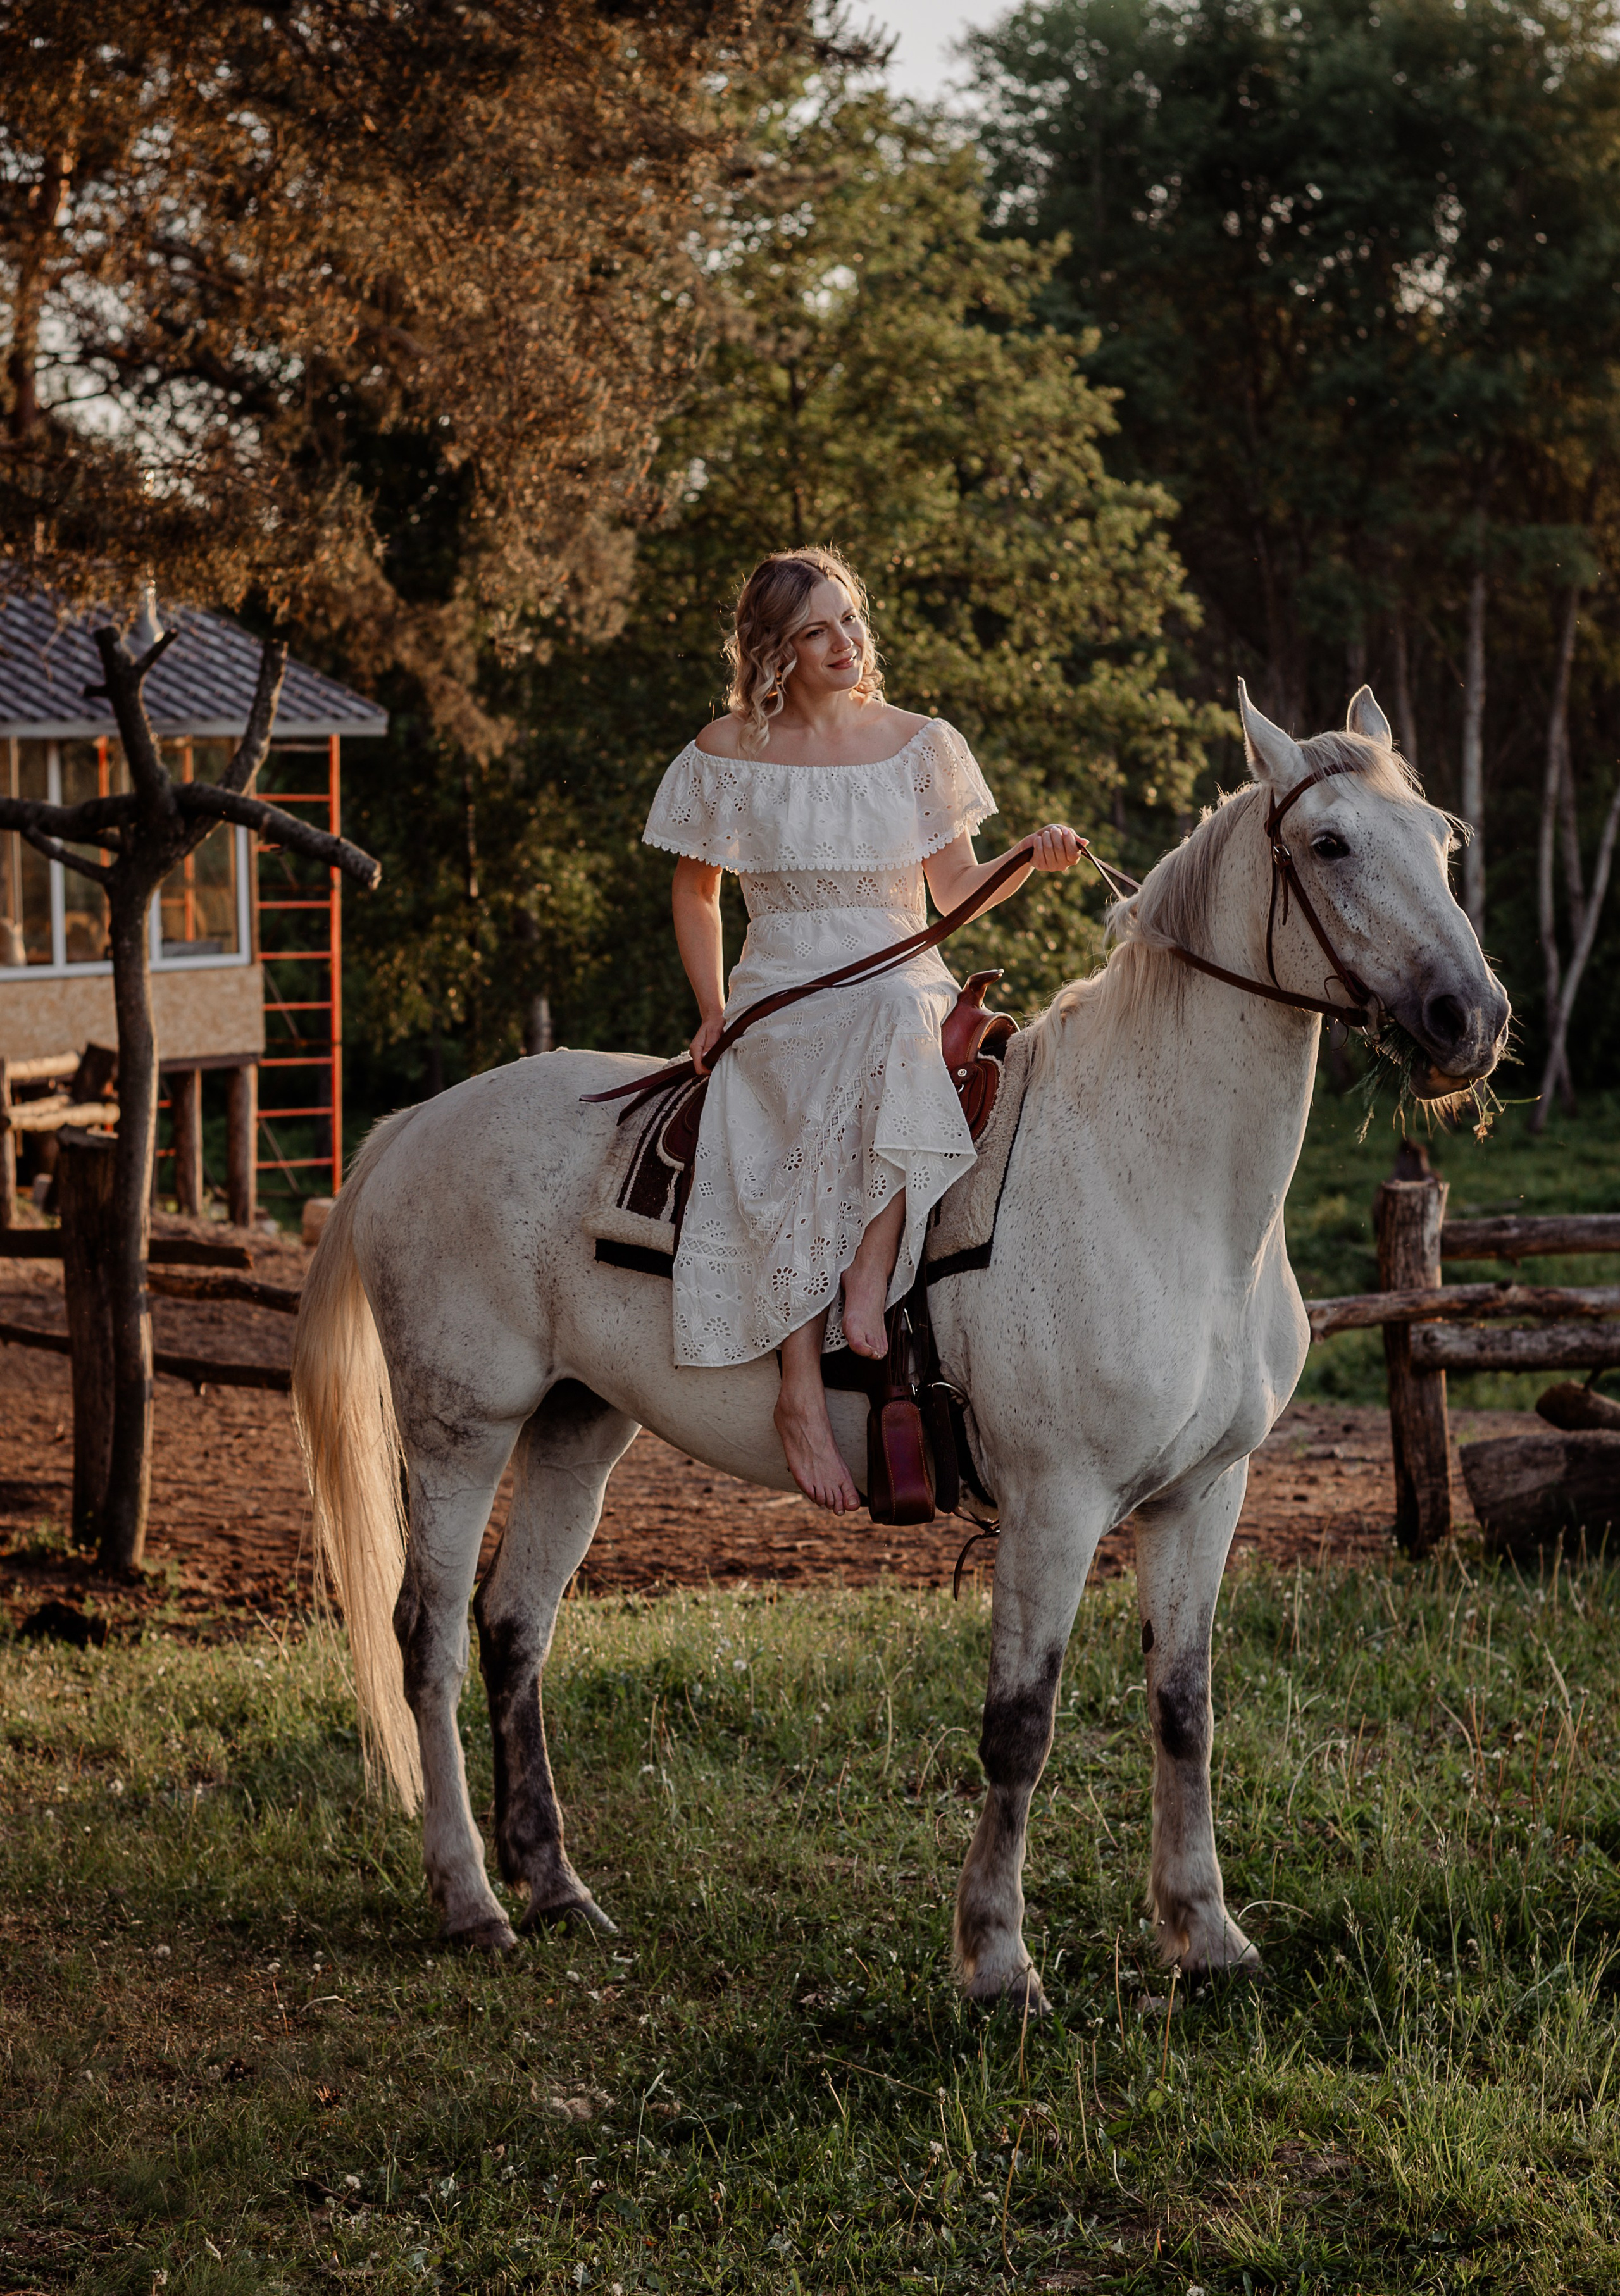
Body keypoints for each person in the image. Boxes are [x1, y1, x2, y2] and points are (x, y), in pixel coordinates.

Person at [643, 547, 1082, 1512]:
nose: (845, 642)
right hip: (782, 979)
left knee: (895, 1015)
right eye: (816, 630)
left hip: (895, 973)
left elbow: (956, 892)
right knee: (785, 1075)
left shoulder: (921, 743)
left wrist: (1029, 853)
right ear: (775, 650)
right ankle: (799, 1386)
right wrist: (715, 1010)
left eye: (850, 619)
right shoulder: (726, 751)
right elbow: (697, 891)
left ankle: (869, 1267)